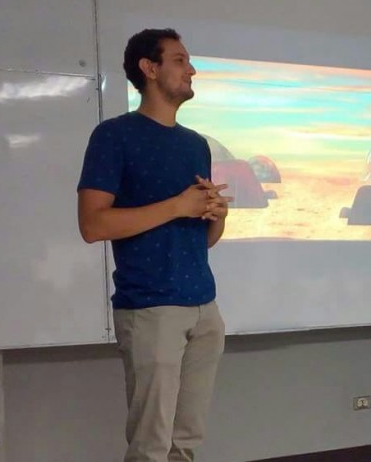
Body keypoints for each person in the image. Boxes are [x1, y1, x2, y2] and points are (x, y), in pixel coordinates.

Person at [77, 28, 231, 462]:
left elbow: (206, 239)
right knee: (151, 445)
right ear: (149, 68)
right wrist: (178, 205)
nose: (192, 69)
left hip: (205, 307)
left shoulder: (196, 145)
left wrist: (217, 215)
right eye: (180, 60)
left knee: (186, 443)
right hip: (150, 309)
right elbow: (92, 225)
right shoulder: (114, 136)